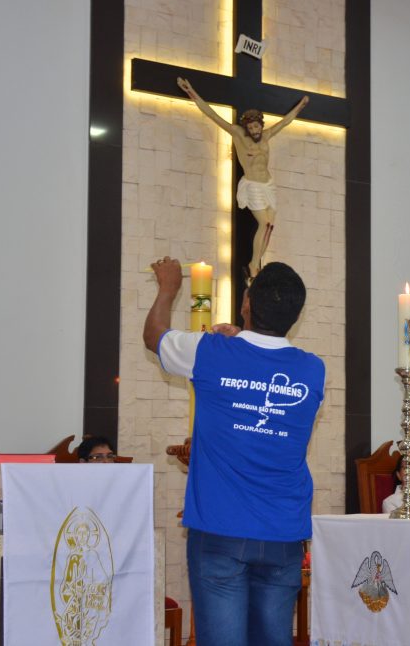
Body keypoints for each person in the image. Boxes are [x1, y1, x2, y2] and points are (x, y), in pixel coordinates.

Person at [143, 256, 325, 646]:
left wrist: (169, 288)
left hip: (221, 532)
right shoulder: (313, 371)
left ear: (246, 303)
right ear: (295, 315)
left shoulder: (210, 352)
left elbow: (154, 335)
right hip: (283, 534)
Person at [176, 77, 309, 280]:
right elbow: (212, 115)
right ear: (246, 127)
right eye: (252, 128)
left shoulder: (266, 135)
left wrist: (301, 105)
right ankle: (253, 265)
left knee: (270, 226)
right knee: (263, 224)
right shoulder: (238, 134)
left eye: (258, 127)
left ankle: (255, 265)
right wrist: (191, 91)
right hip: (253, 184)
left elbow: (286, 121)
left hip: (268, 184)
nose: (255, 131)